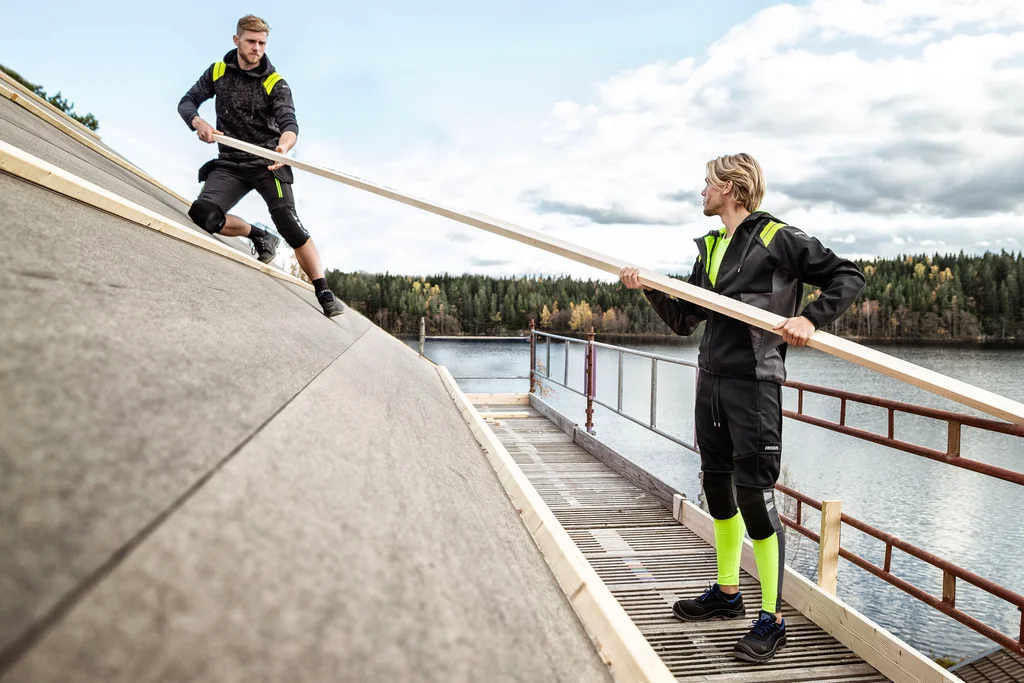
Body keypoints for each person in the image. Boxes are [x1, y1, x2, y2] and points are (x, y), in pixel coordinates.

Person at [620, 153, 864, 663]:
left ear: (730, 188)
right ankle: (728, 595)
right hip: (711, 381)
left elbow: (848, 276)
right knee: (715, 485)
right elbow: (686, 320)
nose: (701, 192)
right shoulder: (709, 246)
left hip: (755, 385)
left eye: (707, 183)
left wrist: (811, 319)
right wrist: (649, 290)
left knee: (756, 498)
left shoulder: (777, 238)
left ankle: (771, 621)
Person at [178, 14, 344, 317]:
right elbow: (187, 102)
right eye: (251, 41)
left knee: (289, 224)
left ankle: (323, 290)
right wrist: (198, 121)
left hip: (269, 163)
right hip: (230, 162)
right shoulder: (217, 72)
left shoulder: (274, 82)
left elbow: (289, 122)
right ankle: (258, 235)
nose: (257, 48)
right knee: (202, 215)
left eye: (262, 43)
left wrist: (284, 146)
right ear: (237, 40)